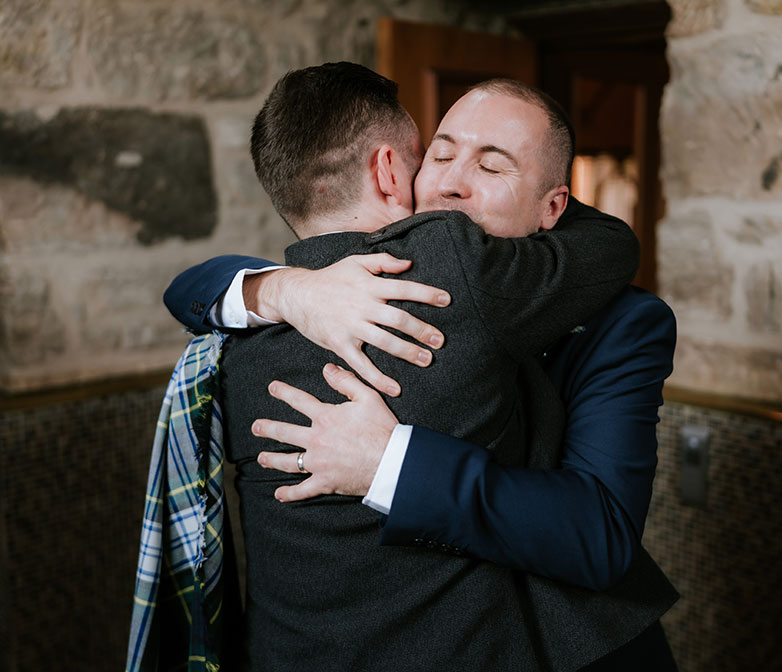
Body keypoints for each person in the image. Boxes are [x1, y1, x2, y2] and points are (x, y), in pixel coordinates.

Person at [165, 67, 679, 670]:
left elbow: (600, 534)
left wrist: (392, 465)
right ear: (399, 172)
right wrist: (281, 290)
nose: (453, 184)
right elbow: (192, 288)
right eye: (438, 155)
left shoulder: (625, 322)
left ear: (554, 208)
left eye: (492, 167)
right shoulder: (320, 294)